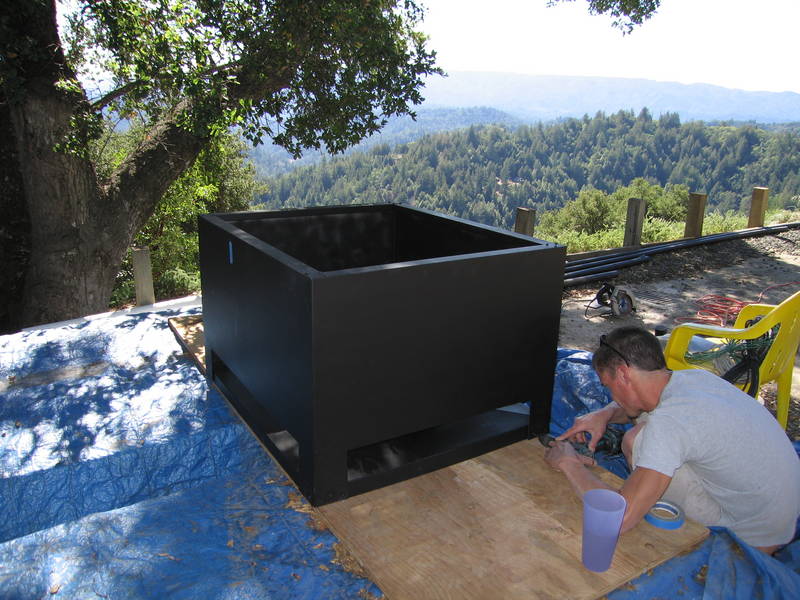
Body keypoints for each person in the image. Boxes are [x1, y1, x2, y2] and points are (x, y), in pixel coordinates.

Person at [544, 325, 800, 554]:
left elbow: (617, 520)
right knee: (641, 431)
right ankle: (647, 489)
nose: (611, 394)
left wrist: (569, 464)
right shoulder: (694, 379)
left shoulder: (670, 424)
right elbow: (645, 406)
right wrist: (606, 413)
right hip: (776, 512)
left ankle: (647, 499)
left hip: (751, 537)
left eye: (608, 386)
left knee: (638, 441)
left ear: (622, 374)